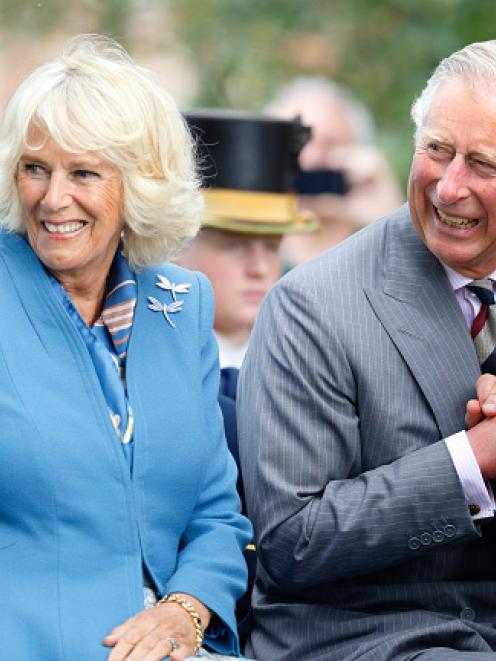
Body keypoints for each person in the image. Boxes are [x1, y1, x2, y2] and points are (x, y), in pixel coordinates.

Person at [238, 39, 496, 660]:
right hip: (372, 633)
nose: (449, 186)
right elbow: (289, 543)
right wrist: (472, 461)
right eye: (436, 150)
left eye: (484, 164)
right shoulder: (311, 306)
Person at [0, 34, 252, 661]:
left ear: (139, 184)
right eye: (36, 168)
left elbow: (217, 516)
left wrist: (187, 611)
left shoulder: (183, 302)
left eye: (84, 172)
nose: (54, 198)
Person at [178, 110, 317, 373]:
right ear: (175, 247)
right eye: (233, 246)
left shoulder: (304, 364)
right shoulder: (144, 359)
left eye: (271, 247)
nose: (259, 268)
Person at [266, 76, 404, 266]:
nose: (312, 159)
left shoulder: (378, 247)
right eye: (297, 143)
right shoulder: (251, 256)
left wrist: (392, 224)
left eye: (329, 144)